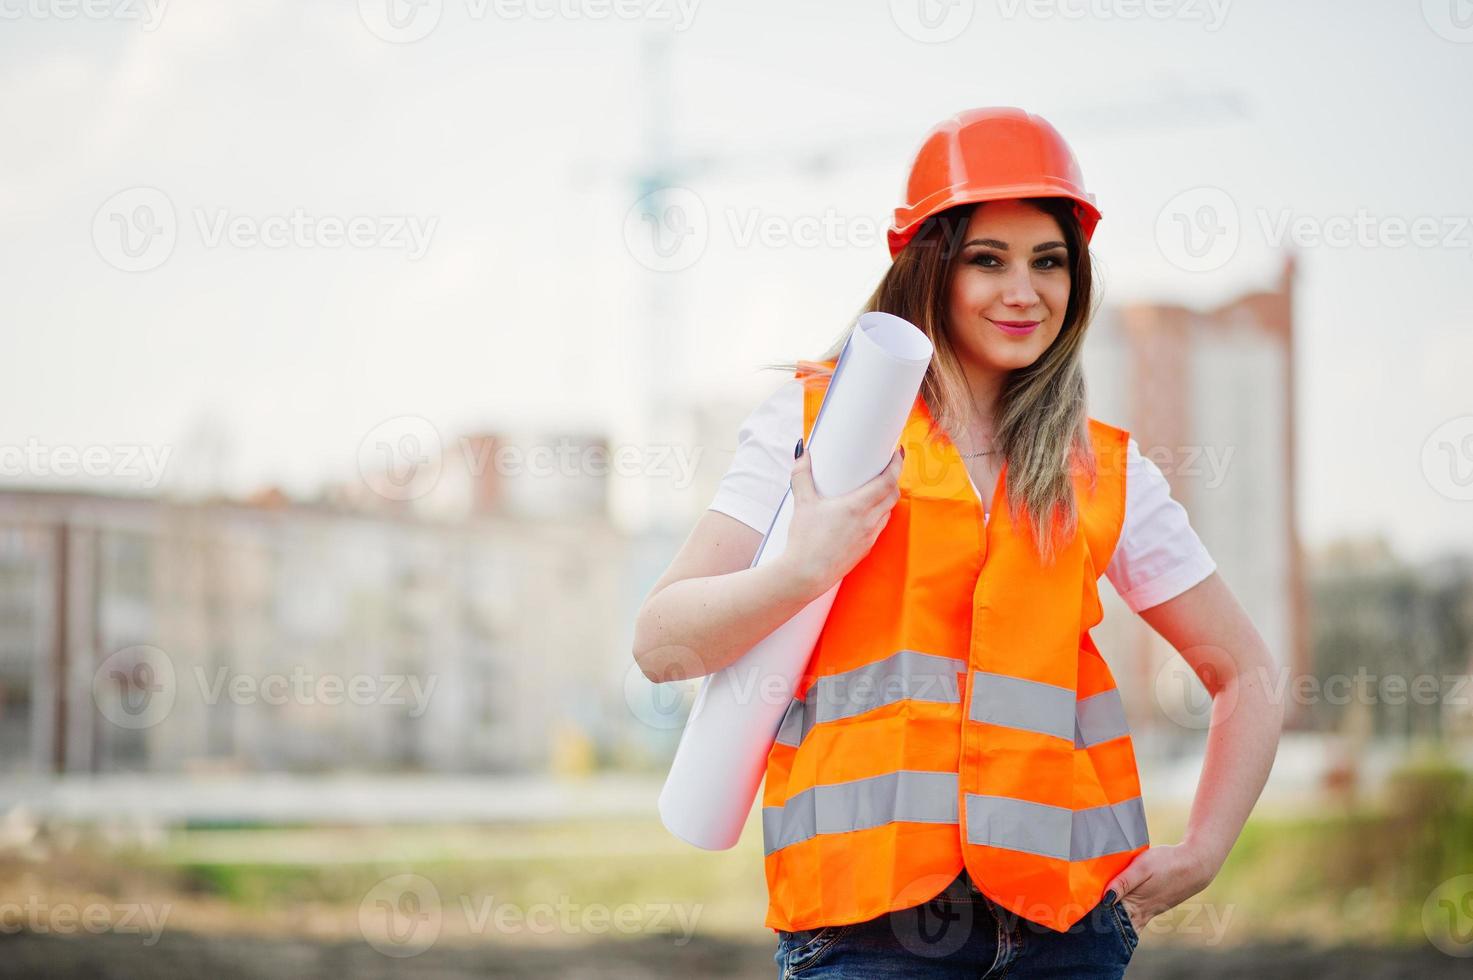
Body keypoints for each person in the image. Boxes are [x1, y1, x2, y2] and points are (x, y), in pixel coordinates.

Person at [632, 107, 1282, 978]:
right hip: (866, 933)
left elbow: (1245, 673)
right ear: (927, 265)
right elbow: (661, 646)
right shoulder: (815, 426)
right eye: (988, 260)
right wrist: (803, 569)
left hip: (1067, 931)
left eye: (1049, 262)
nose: (1024, 291)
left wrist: (1204, 850)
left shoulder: (1105, 471)